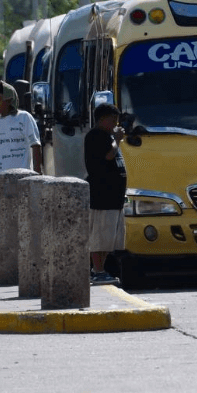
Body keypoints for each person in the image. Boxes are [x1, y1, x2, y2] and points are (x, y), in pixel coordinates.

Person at [0, 81, 43, 238]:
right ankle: (2, 262)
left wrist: (37, 173)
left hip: (20, 181)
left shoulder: (24, 118)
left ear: (9, 100)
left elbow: (36, 145)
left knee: (22, 226)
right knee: (0, 230)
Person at [84, 103, 126, 286]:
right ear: (102, 119)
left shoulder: (109, 136)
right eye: (112, 120)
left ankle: (100, 268)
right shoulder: (96, 136)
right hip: (102, 195)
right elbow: (108, 156)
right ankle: (98, 270)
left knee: (110, 239)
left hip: (115, 198)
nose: (115, 124)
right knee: (99, 236)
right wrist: (116, 139)